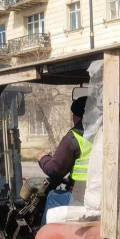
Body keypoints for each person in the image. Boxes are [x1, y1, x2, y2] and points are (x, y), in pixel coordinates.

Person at [36, 96, 90, 225]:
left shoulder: (75, 137)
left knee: (53, 196)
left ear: (77, 116)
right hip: (102, 194)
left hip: (82, 197)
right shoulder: (105, 132)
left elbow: (54, 170)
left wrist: (43, 158)